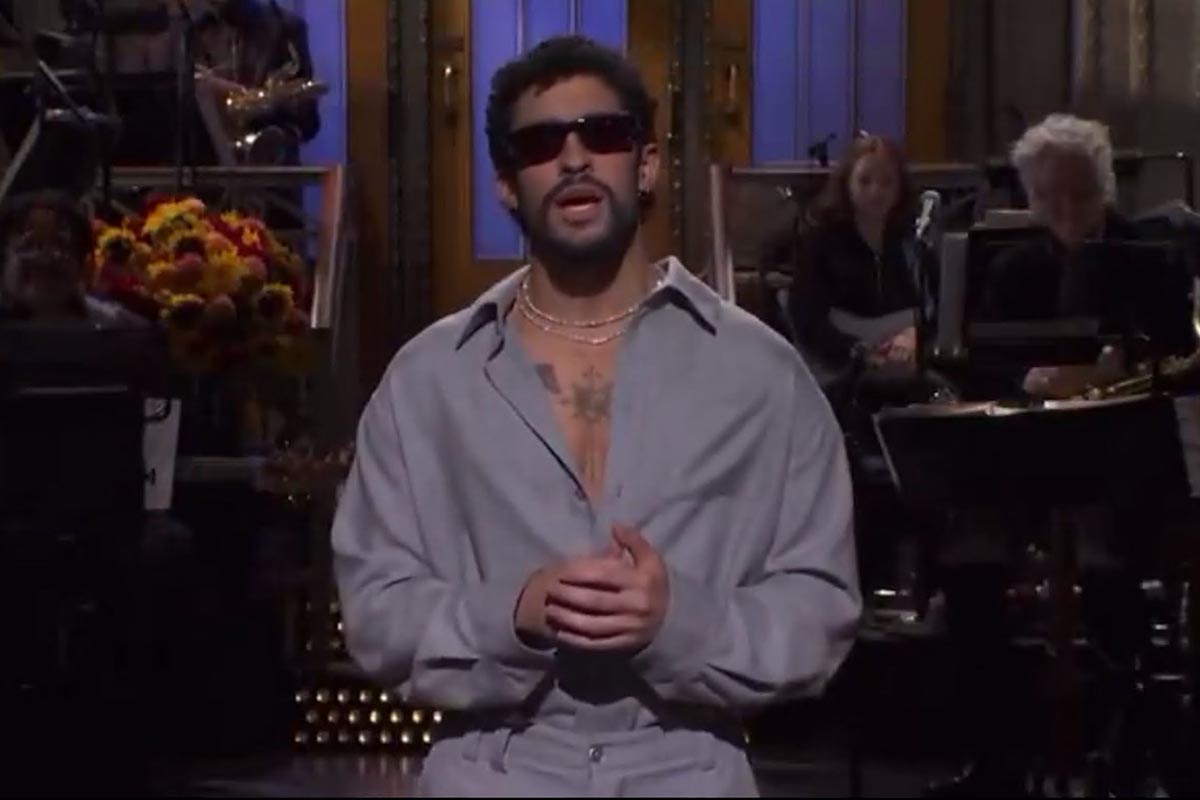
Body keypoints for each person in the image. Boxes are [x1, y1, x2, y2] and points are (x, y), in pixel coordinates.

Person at [333, 35, 860, 797]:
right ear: (506, 185)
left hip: (687, 770)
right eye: (541, 144)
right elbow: (375, 609)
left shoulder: (759, 374)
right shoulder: (429, 380)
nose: (574, 158)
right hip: (492, 771)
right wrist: (511, 612)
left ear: (645, 165)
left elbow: (818, 606)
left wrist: (680, 621)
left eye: (603, 134)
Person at [929, 114, 1153, 797]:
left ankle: (1122, 754)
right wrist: (1030, 380)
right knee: (968, 567)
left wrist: (1119, 371)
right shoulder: (1013, 264)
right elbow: (981, 365)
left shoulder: (1146, 256)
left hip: (1118, 457)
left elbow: (1176, 352)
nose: (1066, 209)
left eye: (1080, 193)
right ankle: (995, 757)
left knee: (1113, 568)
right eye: (1049, 196)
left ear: (1104, 188)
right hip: (1027, 456)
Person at [0, 190, 143, 327]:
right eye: (28, 246)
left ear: (82, 262)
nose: (45, 260)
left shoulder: (119, 327)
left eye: (60, 246)